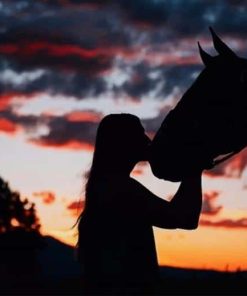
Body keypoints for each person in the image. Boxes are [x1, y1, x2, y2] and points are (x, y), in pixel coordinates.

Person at [77, 113, 203, 295]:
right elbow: (185, 218)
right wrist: (195, 166)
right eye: (139, 134)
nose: (146, 139)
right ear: (123, 143)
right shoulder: (121, 190)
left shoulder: (106, 187)